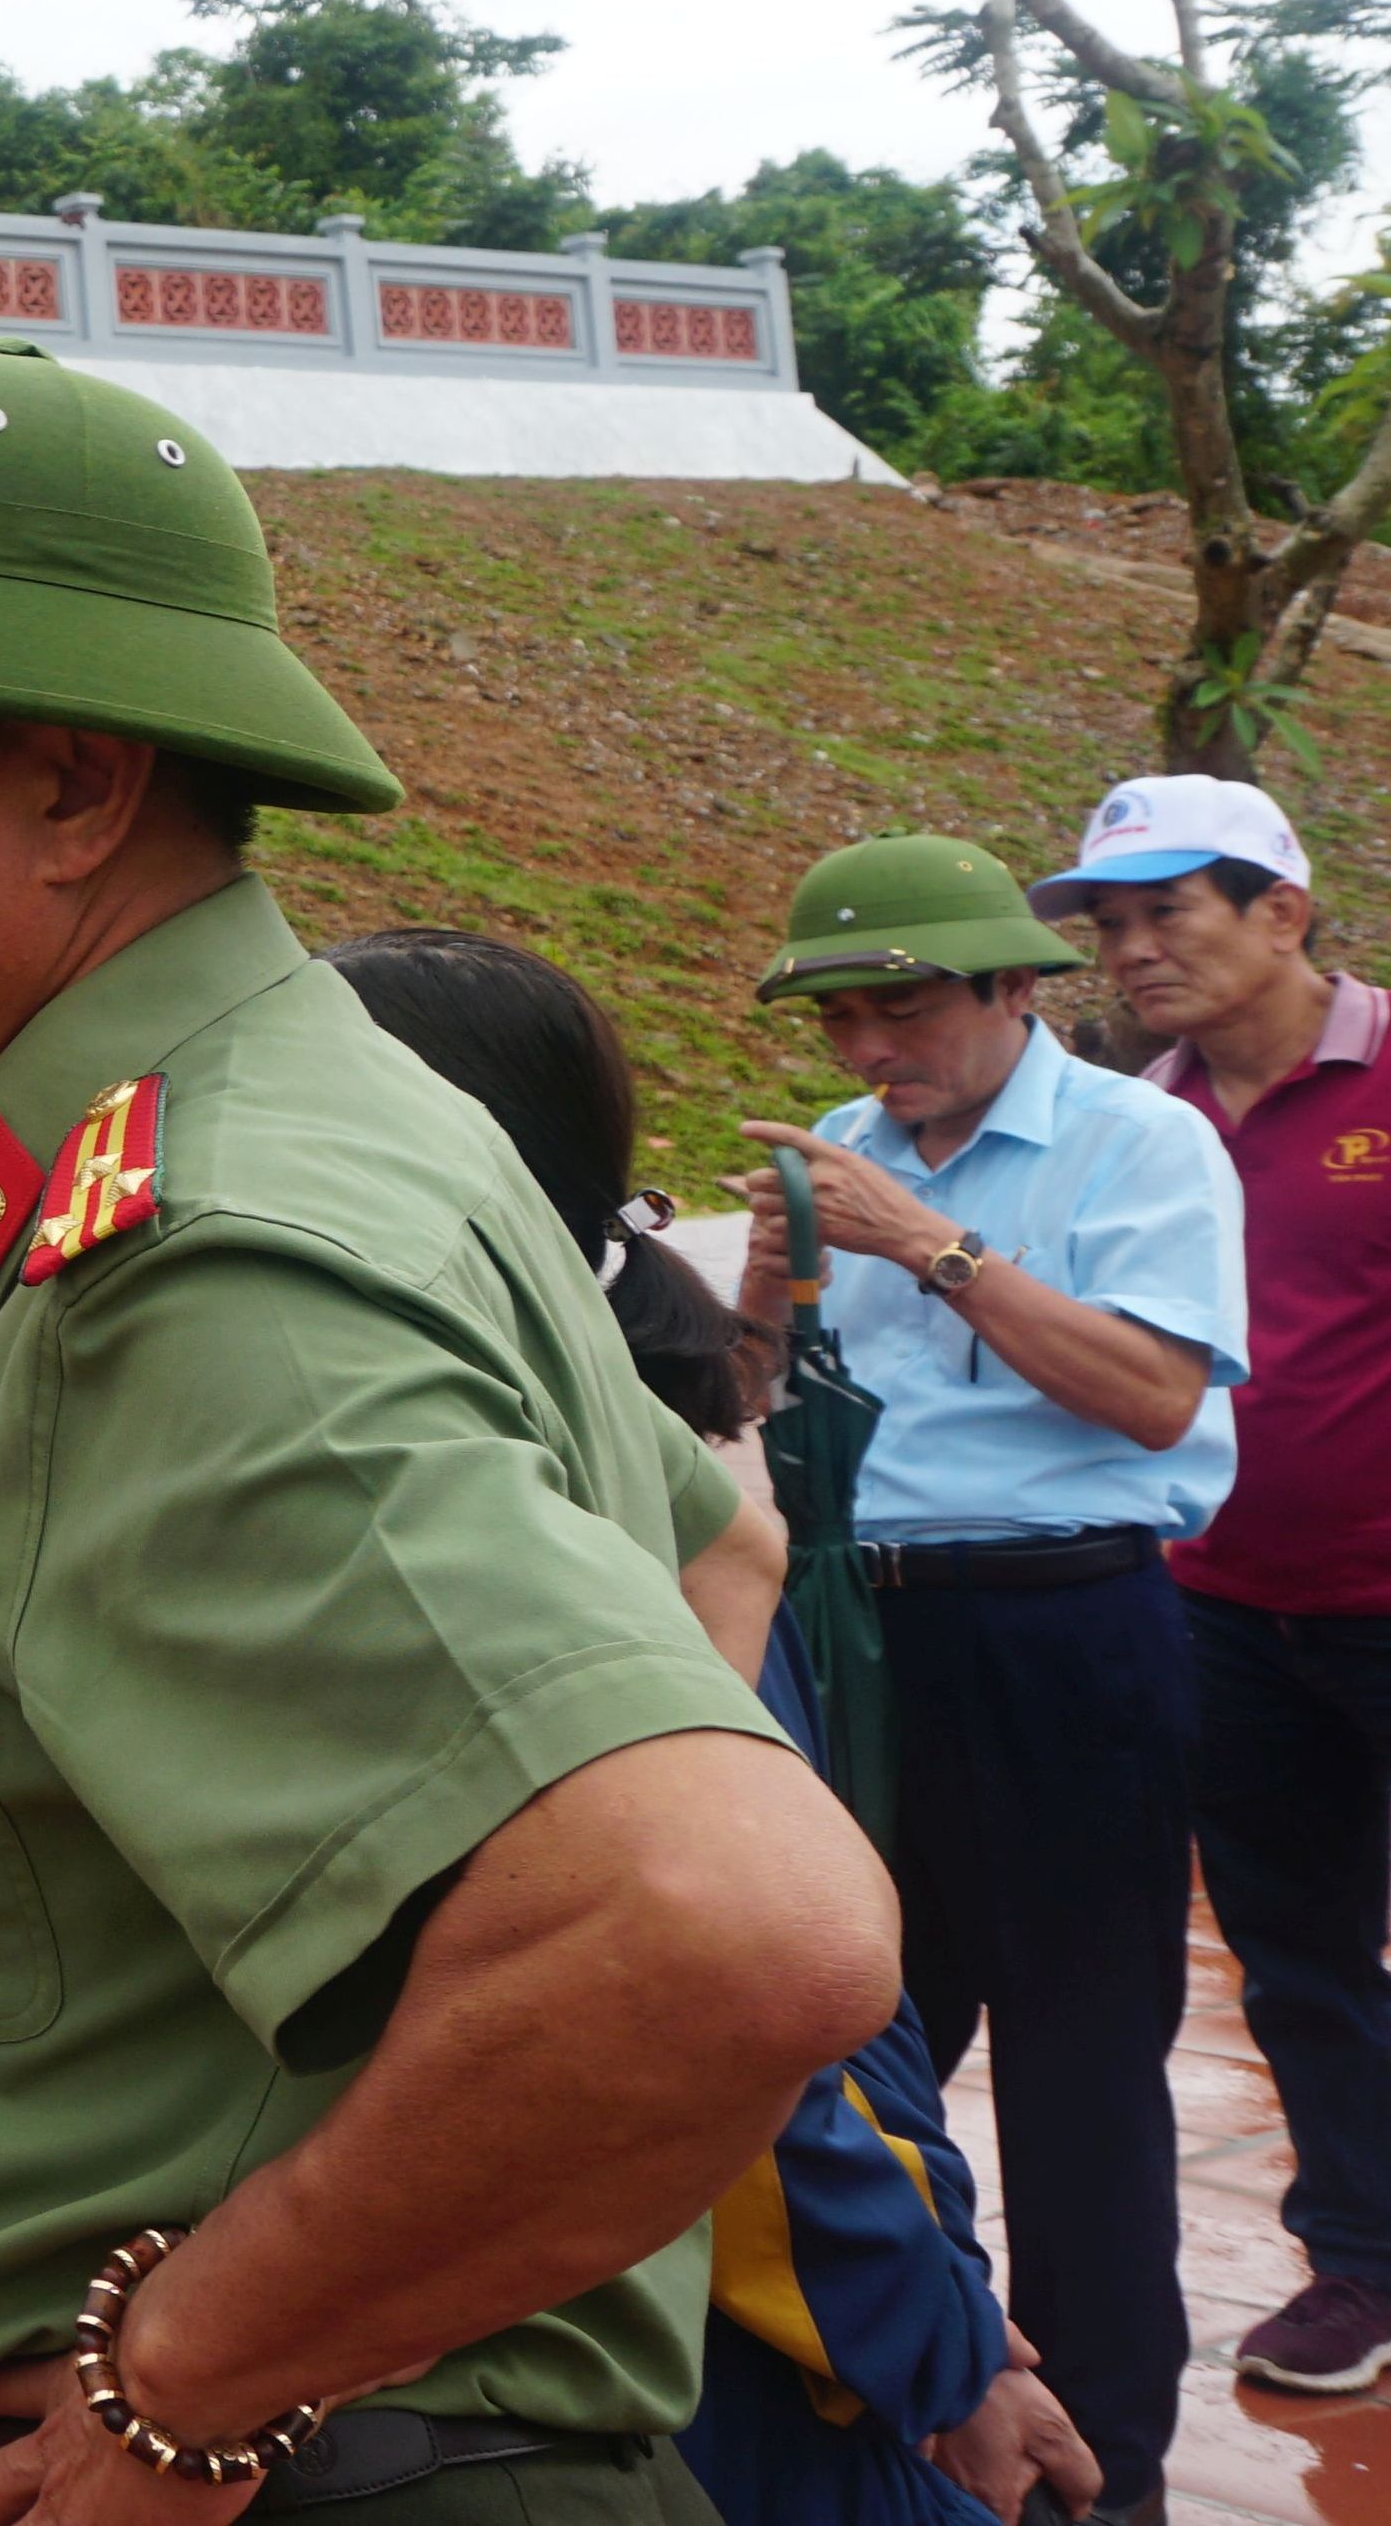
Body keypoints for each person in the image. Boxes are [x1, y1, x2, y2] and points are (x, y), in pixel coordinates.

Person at [0, 334, 898, 2526]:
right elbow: (706, 1557)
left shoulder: (191, 1252)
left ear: (71, 791)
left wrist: (196, 2370)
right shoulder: (264, 1113)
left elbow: (733, 1927)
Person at [328, 926, 1098, 2526]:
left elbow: (745, 2013)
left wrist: (935, 2342)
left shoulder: (544, 1511)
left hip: (663, 2330)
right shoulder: (615, 1455)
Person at [736, 833, 1245, 2521]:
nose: (871, 1052)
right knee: (842, 2046)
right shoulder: (853, 1158)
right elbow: (743, 1394)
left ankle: (1102, 2475)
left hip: (1062, 1628)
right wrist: (764, 1285)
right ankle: (902, 2412)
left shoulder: (1136, 1140)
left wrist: (931, 1242)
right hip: (853, 1633)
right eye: (840, 1022)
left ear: (1015, 987)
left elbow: (1158, 1393)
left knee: (1082, 2079)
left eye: (902, 1009)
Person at [1048, 774, 1391, 2396]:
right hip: (1222, 1608)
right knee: (1298, 1945)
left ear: (1280, 908)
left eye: (1161, 908)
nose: (1127, 949)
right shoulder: (1138, 1120)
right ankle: (1361, 2263)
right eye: (1105, 923)